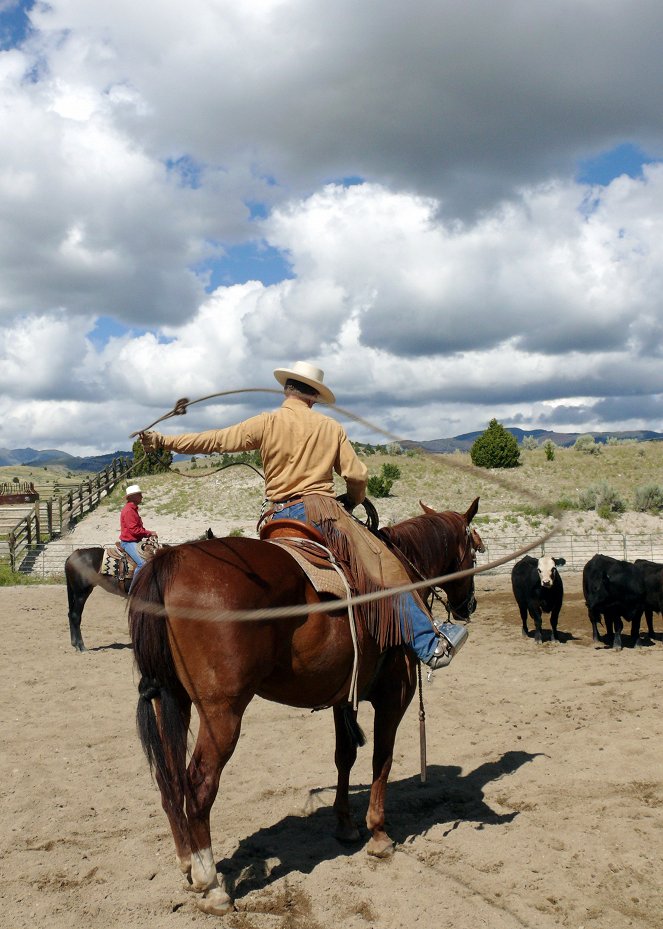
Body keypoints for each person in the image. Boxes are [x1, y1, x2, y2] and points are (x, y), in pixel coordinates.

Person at [140, 361, 459, 670]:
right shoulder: (331, 427)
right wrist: (353, 499)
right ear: (314, 396)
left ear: (287, 390)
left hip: (277, 517)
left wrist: (163, 441)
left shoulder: (265, 422)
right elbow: (358, 475)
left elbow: (215, 440)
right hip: (322, 513)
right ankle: (429, 644)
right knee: (381, 565)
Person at [119, 484, 157, 590]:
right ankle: (134, 590)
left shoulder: (133, 509)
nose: (142, 496)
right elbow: (134, 530)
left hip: (134, 541)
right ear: (133, 496)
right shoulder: (129, 511)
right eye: (139, 494)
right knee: (143, 564)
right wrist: (149, 533)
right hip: (128, 542)